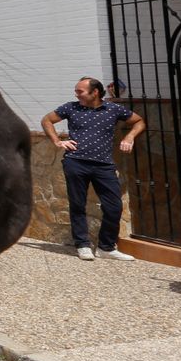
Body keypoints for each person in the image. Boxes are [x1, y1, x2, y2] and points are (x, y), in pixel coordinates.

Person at [41, 77, 145, 261]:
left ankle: (106, 247)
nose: (76, 94)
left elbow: (139, 122)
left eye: (80, 91)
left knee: (114, 206)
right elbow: (47, 120)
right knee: (77, 204)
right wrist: (57, 141)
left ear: (94, 92)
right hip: (75, 162)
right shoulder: (70, 107)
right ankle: (82, 245)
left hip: (104, 165)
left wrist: (129, 138)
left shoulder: (113, 109)